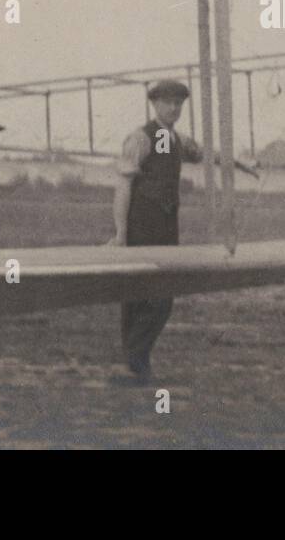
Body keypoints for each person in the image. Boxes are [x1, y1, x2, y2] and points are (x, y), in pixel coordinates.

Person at [111, 79, 203, 383]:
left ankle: (135, 362)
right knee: (143, 296)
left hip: (167, 225)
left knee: (161, 296)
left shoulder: (177, 140)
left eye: (179, 103)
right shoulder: (140, 138)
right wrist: (121, 233)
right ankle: (135, 363)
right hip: (141, 225)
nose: (174, 108)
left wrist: (239, 162)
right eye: (168, 103)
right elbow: (123, 185)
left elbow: (205, 154)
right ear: (155, 104)